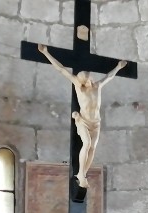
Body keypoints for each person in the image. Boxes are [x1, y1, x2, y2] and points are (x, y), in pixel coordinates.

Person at [37, 43, 127, 189]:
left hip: (96, 122)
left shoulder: (97, 86)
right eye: (83, 80)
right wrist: (46, 53)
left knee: (93, 148)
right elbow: (61, 69)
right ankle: (80, 173)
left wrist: (118, 67)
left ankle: (83, 174)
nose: (85, 82)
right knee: (86, 144)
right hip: (83, 121)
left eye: (86, 79)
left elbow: (109, 77)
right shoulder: (79, 87)